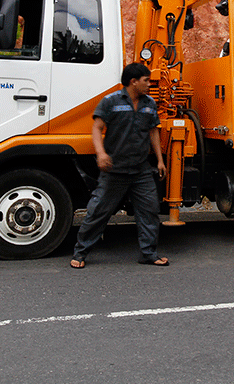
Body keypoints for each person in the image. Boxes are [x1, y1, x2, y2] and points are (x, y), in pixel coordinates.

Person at [70, 62, 169, 268]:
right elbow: (97, 128)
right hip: (114, 169)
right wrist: (101, 153)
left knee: (150, 211)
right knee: (98, 212)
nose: (149, 84)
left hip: (141, 169)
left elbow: (153, 132)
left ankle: (149, 254)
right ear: (134, 82)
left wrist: (159, 160)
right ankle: (80, 253)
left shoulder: (149, 104)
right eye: (146, 80)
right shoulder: (110, 102)